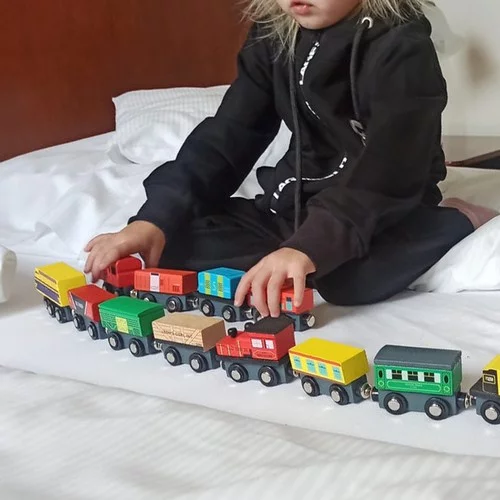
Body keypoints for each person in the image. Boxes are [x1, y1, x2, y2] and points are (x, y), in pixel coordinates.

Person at [84, 0, 498, 319]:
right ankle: (294, 252)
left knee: (350, 281)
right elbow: (230, 136)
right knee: (172, 242)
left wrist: (310, 247)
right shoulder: (273, 35)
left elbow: (390, 165)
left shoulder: (402, 45)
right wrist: (154, 219)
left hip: (381, 205)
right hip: (295, 205)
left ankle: (457, 219)